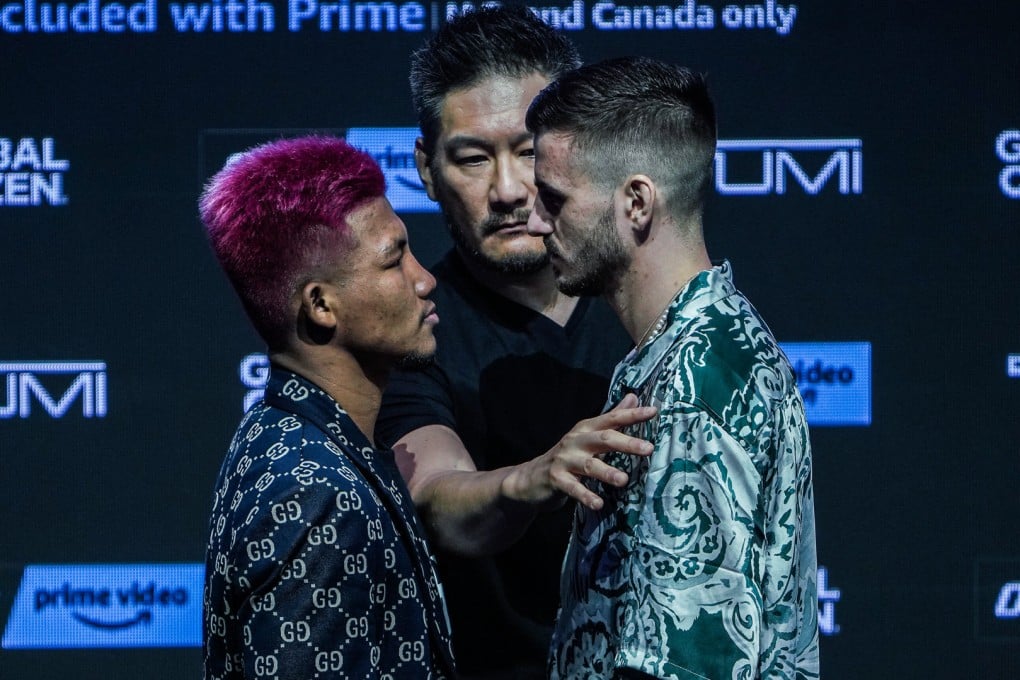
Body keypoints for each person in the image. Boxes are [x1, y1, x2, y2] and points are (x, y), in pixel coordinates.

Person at [375, 6, 653, 678]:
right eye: (472, 158)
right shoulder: (410, 330)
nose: (506, 190)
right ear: (426, 168)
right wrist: (535, 477)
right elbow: (437, 498)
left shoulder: (651, 305)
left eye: (528, 152)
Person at [525, 56, 820, 679]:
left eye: (554, 200)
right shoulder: (702, 340)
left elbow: (687, 661)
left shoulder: (692, 378)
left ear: (635, 202)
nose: (534, 222)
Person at [200, 136, 456, 679]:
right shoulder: (317, 494)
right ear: (320, 304)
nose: (424, 278)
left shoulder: (283, 433)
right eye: (394, 261)